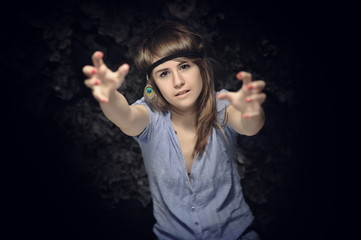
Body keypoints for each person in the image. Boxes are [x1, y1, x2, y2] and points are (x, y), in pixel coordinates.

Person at [83, 21, 266, 240]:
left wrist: (252, 112)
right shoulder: (150, 117)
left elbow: (249, 126)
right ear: (154, 84)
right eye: (164, 74)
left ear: (201, 67)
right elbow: (126, 116)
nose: (177, 81)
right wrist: (109, 97)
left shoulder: (222, 107)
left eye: (184, 66)